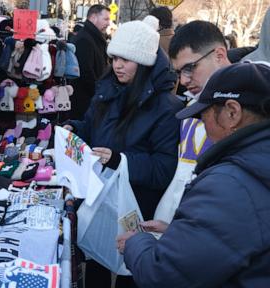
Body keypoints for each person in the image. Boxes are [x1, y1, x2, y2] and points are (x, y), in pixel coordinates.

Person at [117, 62, 270, 287]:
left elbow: (162, 275)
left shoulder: (230, 184)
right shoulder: (252, 169)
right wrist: (182, 234)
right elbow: (241, 237)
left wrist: (136, 243)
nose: (202, 125)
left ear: (232, 112)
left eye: (203, 116)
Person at [65, 15, 182, 288]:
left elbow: (164, 168)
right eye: (114, 57)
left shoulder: (166, 107)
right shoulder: (107, 90)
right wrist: (75, 129)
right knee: (95, 261)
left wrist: (121, 161)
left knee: (130, 273)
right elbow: (92, 129)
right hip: (100, 198)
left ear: (143, 63)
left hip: (136, 208)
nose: (117, 65)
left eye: (125, 59)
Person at [149, 21, 231, 230]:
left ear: (219, 55)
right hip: (179, 230)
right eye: (178, 72)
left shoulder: (251, 111)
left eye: (189, 68)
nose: (184, 80)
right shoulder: (191, 106)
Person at [70, 4, 111, 120]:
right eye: (106, 19)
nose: (108, 23)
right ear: (93, 17)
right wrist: (100, 94)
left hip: (90, 101)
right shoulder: (84, 39)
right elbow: (85, 73)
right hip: (84, 103)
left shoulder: (94, 38)